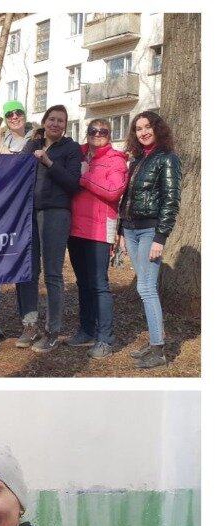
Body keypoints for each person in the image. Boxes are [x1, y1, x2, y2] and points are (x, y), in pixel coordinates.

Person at [117, 111, 181, 370]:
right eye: (138, 128)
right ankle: (154, 341)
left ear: (157, 129)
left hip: (149, 232)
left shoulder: (168, 159)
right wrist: (121, 231)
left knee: (146, 288)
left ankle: (159, 351)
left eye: (147, 127)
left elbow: (171, 200)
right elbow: (127, 198)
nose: (143, 132)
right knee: (144, 288)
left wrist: (160, 237)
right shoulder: (137, 161)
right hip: (131, 231)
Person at [16, 105, 81, 353]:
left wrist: (48, 161)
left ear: (65, 125)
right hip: (29, 213)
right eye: (51, 119)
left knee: (52, 273)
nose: (55, 124)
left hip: (56, 213)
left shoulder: (71, 149)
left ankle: (53, 331)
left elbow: (74, 184)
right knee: (29, 271)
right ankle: (29, 325)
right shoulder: (32, 144)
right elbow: (15, 171)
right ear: (44, 121)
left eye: (60, 121)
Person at [68, 118, 128, 360]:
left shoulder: (116, 160)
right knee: (82, 282)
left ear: (109, 135)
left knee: (99, 285)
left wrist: (84, 177)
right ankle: (86, 329)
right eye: (93, 131)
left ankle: (105, 338)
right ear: (87, 133)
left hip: (99, 230)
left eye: (103, 131)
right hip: (75, 229)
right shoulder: (79, 153)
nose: (97, 134)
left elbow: (113, 191)